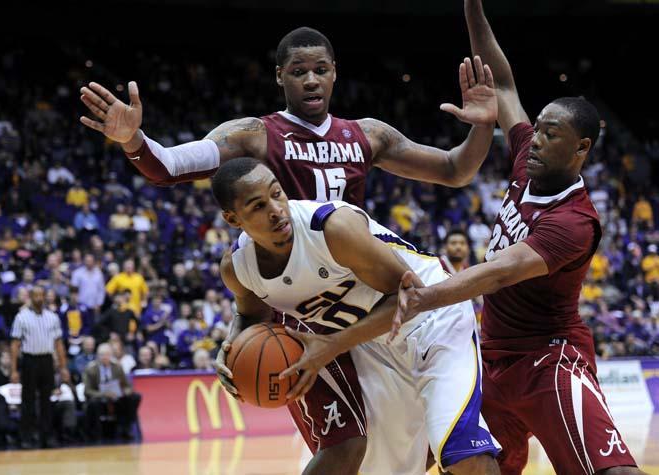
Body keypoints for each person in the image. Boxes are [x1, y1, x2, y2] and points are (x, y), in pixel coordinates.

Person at [80, 25, 498, 469]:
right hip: (304, 312)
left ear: (335, 73)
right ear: (280, 76)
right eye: (299, 71)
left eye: (320, 70)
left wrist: (483, 127)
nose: (311, 80)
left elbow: (455, 169)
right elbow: (169, 165)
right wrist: (133, 142)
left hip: (367, 293)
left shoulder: (366, 135)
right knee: (350, 448)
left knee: (406, 451)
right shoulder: (255, 135)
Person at [393, 1, 641, 473]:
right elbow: (503, 83)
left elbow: (501, 271)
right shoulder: (527, 154)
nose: (537, 140)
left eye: (551, 134)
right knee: (450, 463)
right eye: (538, 130)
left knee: (614, 470)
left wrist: (426, 298)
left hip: (547, 360)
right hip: (492, 361)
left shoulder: (574, 221)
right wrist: (472, 7)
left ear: (581, 148)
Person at [211, 159, 500, 474]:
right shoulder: (238, 269)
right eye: (257, 206)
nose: (276, 209)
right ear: (233, 218)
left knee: (466, 455)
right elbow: (251, 317)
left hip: (432, 321)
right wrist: (230, 345)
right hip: (372, 344)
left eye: (277, 194)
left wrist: (332, 344)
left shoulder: (332, 229)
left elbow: (410, 297)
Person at [9, 286, 70, 449]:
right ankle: (27, 437)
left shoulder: (53, 317)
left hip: (47, 361)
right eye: (36, 295)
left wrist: (63, 367)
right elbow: (15, 345)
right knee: (28, 401)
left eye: (41, 295)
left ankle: (47, 437)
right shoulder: (21, 317)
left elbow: (59, 344)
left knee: (47, 401)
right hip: (29, 360)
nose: (39, 298)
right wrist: (13, 369)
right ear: (30, 297)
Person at [83, 343, 141, 440]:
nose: (104, 357)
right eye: (102, 355)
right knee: (93, 403)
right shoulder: (90, 369)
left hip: (116, 397)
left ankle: (126, 429)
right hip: (99, 398)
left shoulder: (117, 367)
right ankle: (96, 434)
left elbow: (127, 386)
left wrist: (123, 393)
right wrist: (103, 394)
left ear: (111, 355)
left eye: (107, 354)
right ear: (97, 356)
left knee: (134, 397)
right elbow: (87, 391)